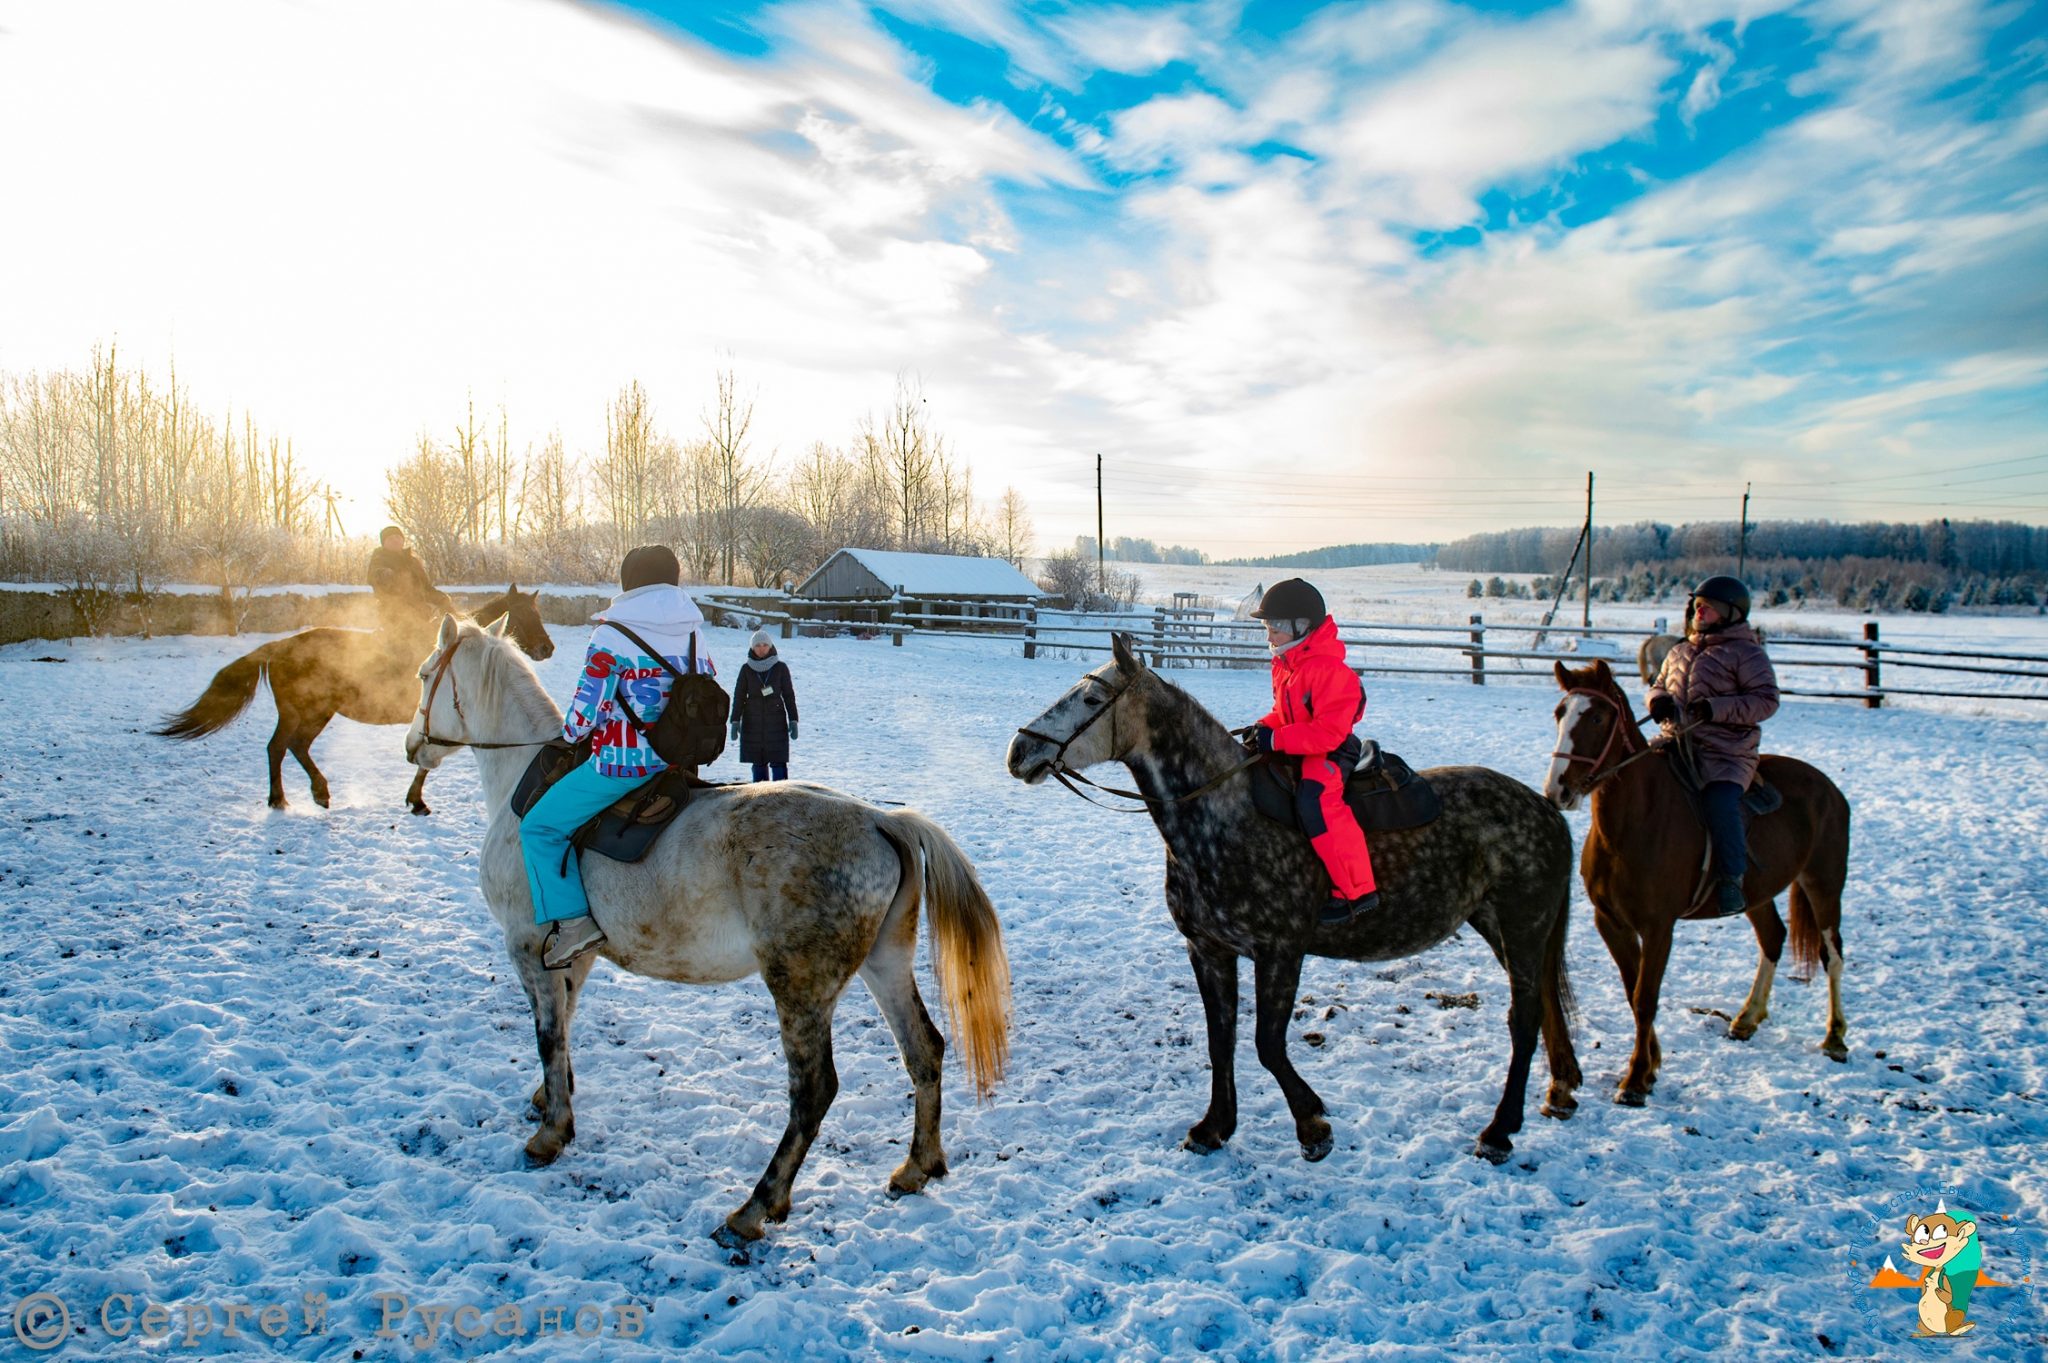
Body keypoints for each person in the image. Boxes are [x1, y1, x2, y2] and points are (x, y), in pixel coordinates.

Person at [521, 544, 715, 969]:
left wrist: (569, 734)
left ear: (629, 582)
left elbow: (583, 717)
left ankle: (573, 924)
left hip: (622, 766)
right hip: (679, 762)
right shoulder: (694, 631)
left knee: (540, 827)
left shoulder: (612, 635)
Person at [1645, 575, 1780, 916]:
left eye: (1709, 608)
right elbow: (1658, 684)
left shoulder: (1746, 654)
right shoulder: (1678, 650)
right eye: (1697, 607)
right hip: (1675, 741)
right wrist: (1657, 701)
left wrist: (1715, 709)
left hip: (1726, 751)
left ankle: (1731, 877)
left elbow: (1766, 700)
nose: (1700, 613)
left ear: (1731, 613)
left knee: (1720, 803)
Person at [1249, 578, 1380, 926]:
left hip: (1333, 750)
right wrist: (1264, 727)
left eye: (1275, 626)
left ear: (1302, 627)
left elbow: (1327, 732)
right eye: (1267, 626)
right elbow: (1285, 714)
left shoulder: (1330, 671)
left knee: (1316, 799)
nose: (1269, 634)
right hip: (1303, 743)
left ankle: (1357, 891)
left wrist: (1276, 741)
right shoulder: (1288, 666)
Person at [730, 628, 798, 782]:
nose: (761, 649)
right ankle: (761, 800)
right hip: (752, 722)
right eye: (757, 645)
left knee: (778, 762)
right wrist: (735, 720)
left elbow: (789, 695)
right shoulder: (746, 669)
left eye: (764, 645)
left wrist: (793, 720)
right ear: (752, 648)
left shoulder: (781, 668)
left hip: (776, 721)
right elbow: (739, 696)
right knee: (758, 763)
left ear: (770, 646)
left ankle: (782, 798)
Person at [367, 525, 452, 635]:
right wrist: (384, 574)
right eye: (390, 538)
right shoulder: (379, 559)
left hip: (421, 615)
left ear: (403, 540)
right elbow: (374, 575)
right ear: (384, 543)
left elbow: (426, 588)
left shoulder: (413, 562)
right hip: (394, 618)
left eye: (397, 537)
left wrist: (441, 599)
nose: (395, 540)